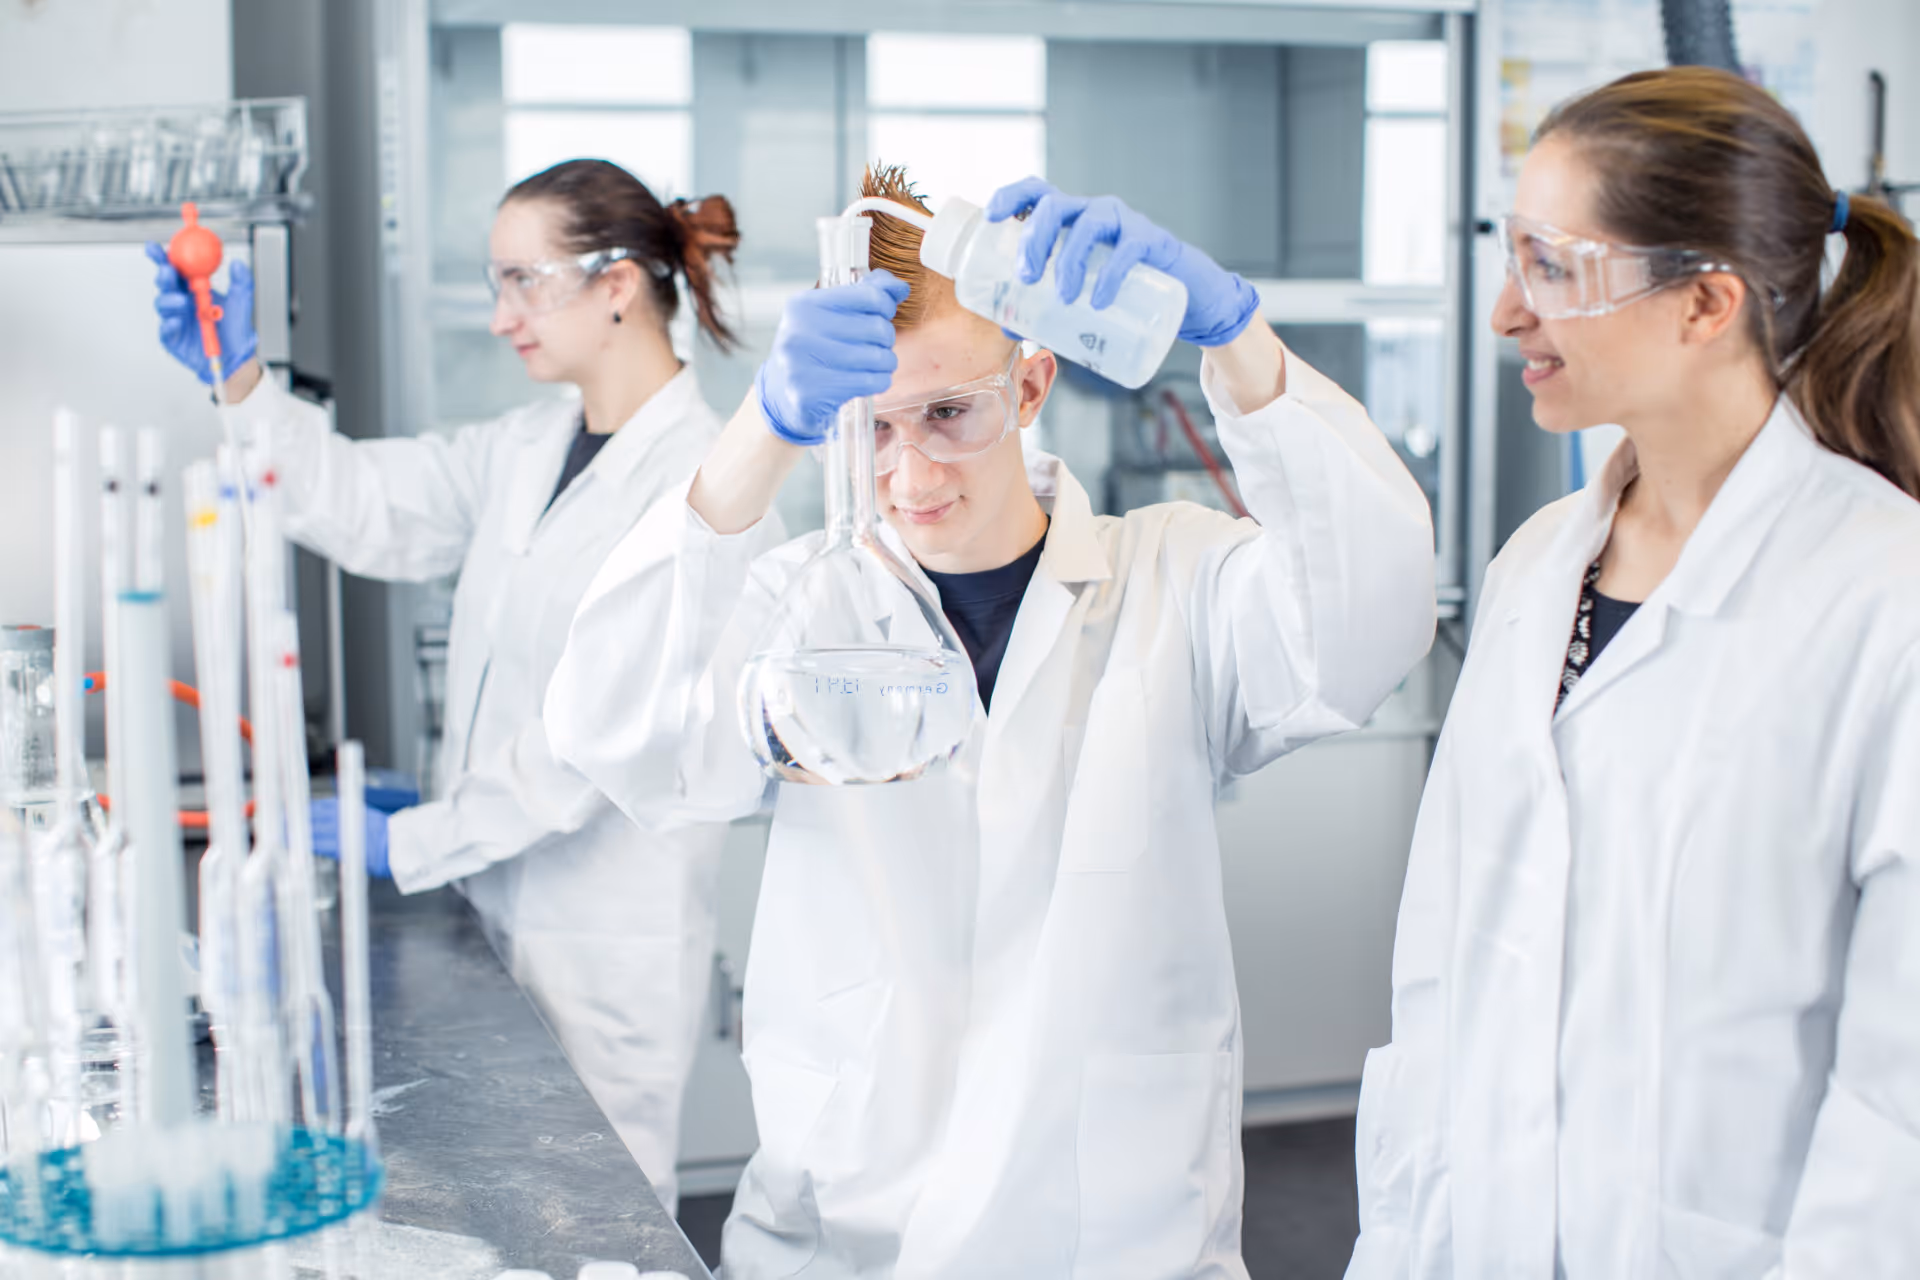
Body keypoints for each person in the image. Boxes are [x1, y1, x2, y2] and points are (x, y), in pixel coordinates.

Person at [546, 166, 1436, 1277]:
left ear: (1030, 384)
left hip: (1112, 1233)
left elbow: (1372, 619)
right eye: (865, 429)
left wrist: (1242, 339)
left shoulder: (1173, 582)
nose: (908, 470)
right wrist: (762, 428)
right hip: (845, 1234)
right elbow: (614, 730)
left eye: (948, 414)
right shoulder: (799, 604)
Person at [1346, 67, 1920, 1279]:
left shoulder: (1884, 596)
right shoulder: (1537, 571)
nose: (1506, 311)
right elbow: (1445, 974)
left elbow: (1900, 1099)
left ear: (1705, 302)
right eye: (1515, 256)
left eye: (1555, 268)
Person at [147, 159, 742, 1211]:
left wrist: (412, 837)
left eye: (524, 280)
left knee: (597, 1223)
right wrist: (241, 382)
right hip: (493, 897)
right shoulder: (528, 444)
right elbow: (367, 502)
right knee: (496, 1207)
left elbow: (589, 747)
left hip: (603, 933)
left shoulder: (704, 487)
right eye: (495, 279)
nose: (501, 312)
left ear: (615, 285)